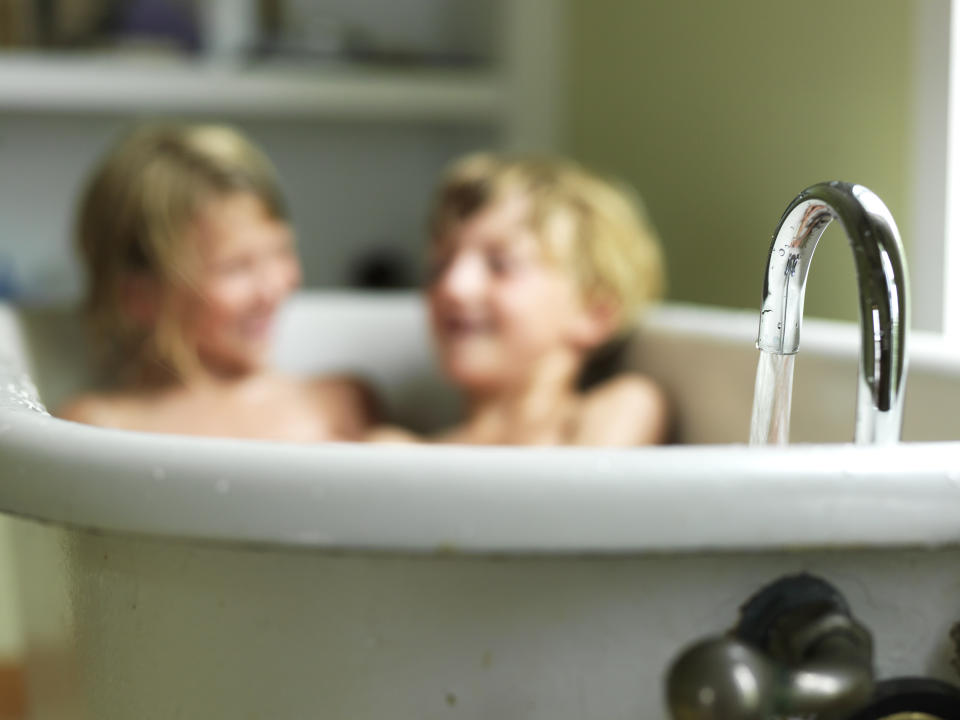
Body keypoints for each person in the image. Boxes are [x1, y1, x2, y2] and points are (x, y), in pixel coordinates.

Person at [57, 123, 374, 441]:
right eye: (236, 268)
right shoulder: (97, 428)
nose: (273, 288)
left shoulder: (339, 404)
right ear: (138, 295)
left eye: (281, 251)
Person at [368, 153, 670, 446]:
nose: (452, 286)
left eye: (500, 265)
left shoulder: (613, 410)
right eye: (439, 265)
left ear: (595, 312)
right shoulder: (406, 449)